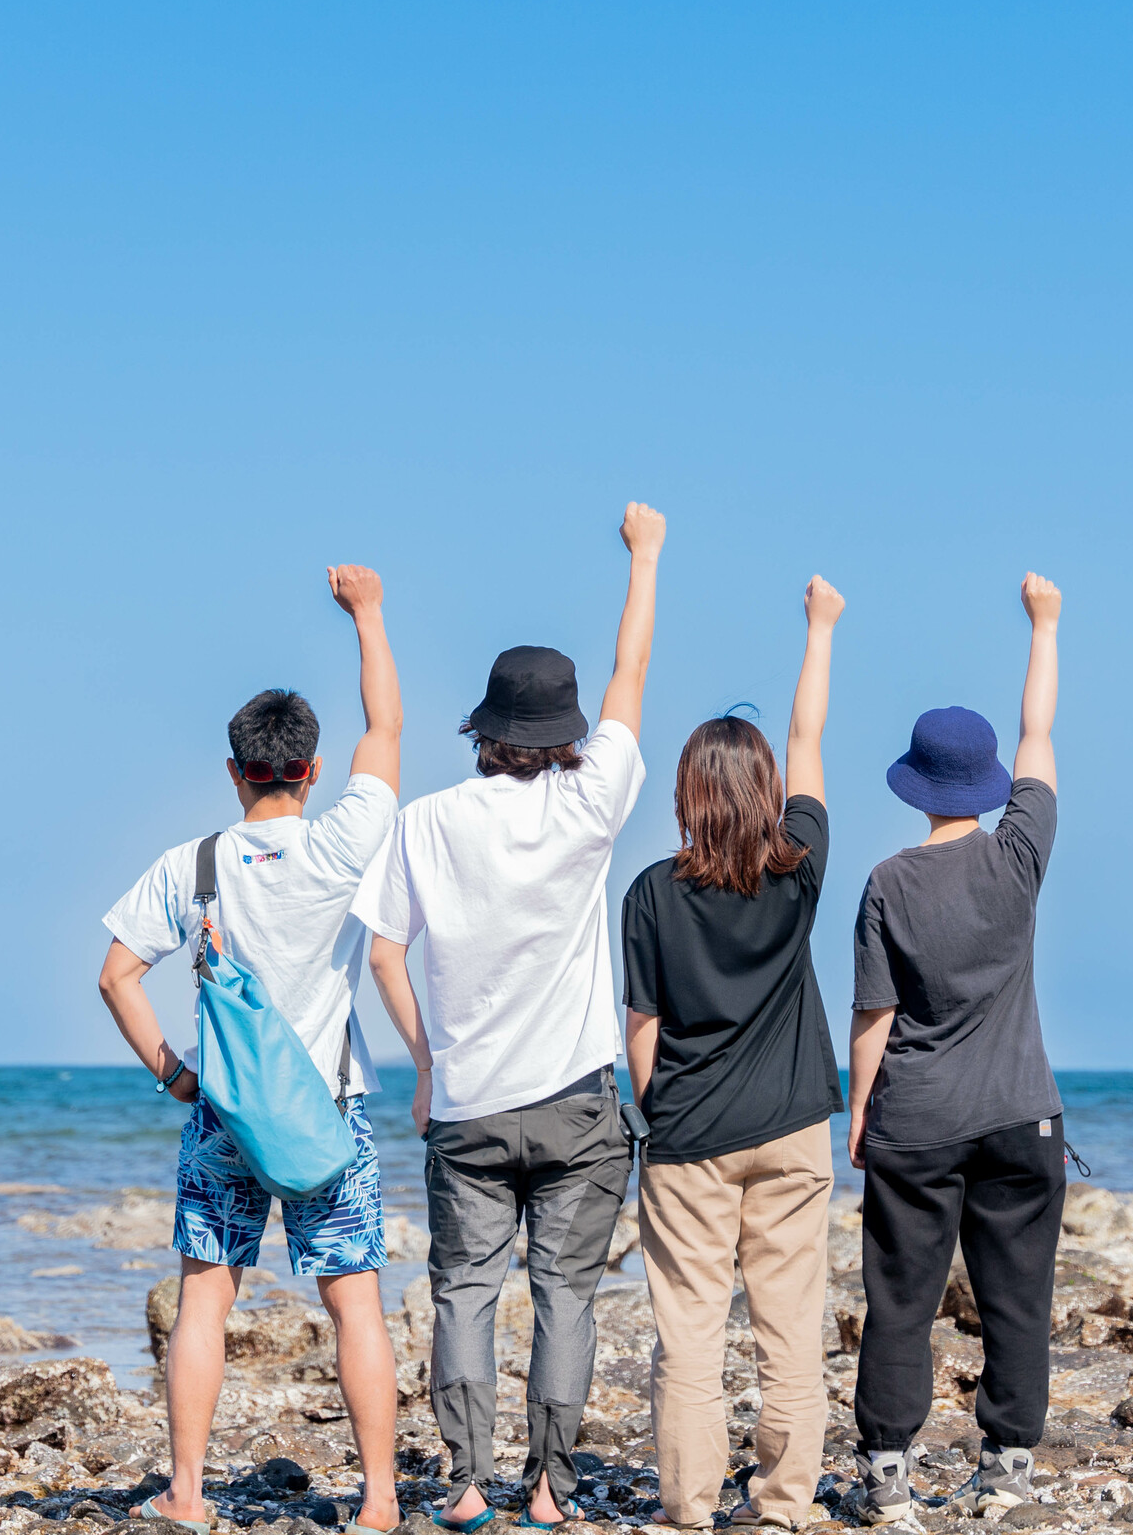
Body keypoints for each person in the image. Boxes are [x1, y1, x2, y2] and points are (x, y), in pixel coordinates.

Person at [359, 503, 665, 1533]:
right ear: (564, 736)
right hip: (579, 1100)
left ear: (484, 730)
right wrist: (645, 557)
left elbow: (384, 953)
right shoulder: (590, 806)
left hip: (470, 1102)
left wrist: (426, 1058)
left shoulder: (425, 822)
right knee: (566, 1298)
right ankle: (550, 1488)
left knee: (464, 1294)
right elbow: (631, 674)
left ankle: (463, 1483)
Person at [94, 566, 407, 1534]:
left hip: (224, 1112)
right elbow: (386, 731)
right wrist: (368, 614)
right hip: (327, 1113)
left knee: (204, 1305)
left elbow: (115, 976)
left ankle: (188, 1495)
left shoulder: (192, 865)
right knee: (355, 1306)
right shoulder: (342, 843)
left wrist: (177, 1075)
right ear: (310, 773)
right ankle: (382, 1504)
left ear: (235, 773)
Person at [623, 574, 845, 1532]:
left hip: (689, 1140)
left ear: (685, 795)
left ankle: (690, 1508)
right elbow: (808, 743)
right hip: (793, 1129)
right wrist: (820, 630)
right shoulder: (798, 872)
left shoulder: (651, 893)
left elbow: (643, 1029)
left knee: (690, 1337)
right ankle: (787, 1505)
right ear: (766, 796)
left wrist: (661, 1109)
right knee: (792, 1331)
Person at [844, 573, 1066, 1525]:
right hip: (1022, 1111)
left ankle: (890, 1475)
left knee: (901, 1297)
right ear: (985, 785)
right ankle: (1007, 1466)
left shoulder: (888, 882)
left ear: (914, 782)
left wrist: (859, 1112)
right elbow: (1040, 738)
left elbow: (873, 1013)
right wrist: (1044, 626)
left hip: (919, 1120)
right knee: (1018, 1294)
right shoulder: (1020, 855)